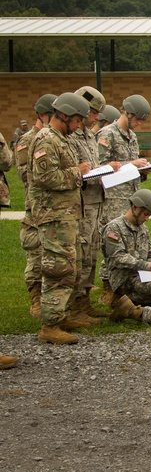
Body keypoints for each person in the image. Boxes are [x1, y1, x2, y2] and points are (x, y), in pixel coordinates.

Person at [29, 92, 92, 345]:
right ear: (63, 115)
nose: (78, 127)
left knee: (72, 268)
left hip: (66, 216)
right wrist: (77, 173)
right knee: (58, 269)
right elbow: (45, 178)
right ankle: (49, 326)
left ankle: (62, 314)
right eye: (77, 121)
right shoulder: (46, 140)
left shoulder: (60, 139)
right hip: (54, 217)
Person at [99, 189, 151, 325]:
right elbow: (117, 258)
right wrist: (147, 266)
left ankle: (131, 308)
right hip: (125, 280)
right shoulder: (114, 228)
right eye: (145, 214)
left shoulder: (143, 229)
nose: (147, 219)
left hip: (143, 276)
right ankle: (123, 301)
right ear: (135, 208)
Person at [68, 85, 111, 323]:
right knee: (80, 254)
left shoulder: (87, 135)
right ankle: (75, 307)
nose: (96, 118)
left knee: (92, 252)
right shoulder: (70, 137)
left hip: (96, 202)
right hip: (81, 204)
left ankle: (84, 303)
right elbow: (76, 172)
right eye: (93, 113)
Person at [15, 94, 57, 318]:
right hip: (36, 206)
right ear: (42, 114)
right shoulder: (28, 140)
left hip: (54, 206)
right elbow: (26, 175)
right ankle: (35, 297)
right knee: (35, 252)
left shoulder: (54, 138)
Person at [97, 94, 151, 230]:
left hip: (132, 197)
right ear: (127, 113)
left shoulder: (132, 136)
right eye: (137, 119)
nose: (139, 123)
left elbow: (132, 169)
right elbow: (99, 168)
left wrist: (142, 171)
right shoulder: (107, 134)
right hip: (114, 200)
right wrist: (131, 165)